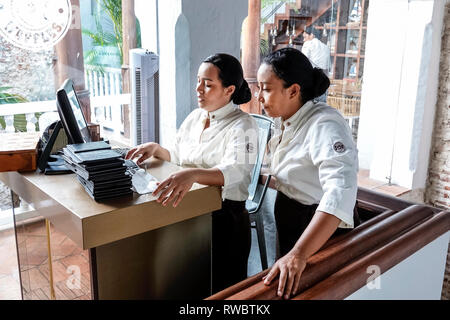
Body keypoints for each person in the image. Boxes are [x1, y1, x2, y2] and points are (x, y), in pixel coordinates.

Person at [126, 53, 258, 293]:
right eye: (198, 81)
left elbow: (238, 170)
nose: (199, 89)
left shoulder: (244, 125)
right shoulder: (195, 117)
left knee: (224, 289)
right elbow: (179, 155)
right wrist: (157, 149)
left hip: (224, 218)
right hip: (189, 213)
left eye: (208, 84)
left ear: (229, 90)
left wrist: (194, 175)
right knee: (192, 284)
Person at [256, 47, 360, 299]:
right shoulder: (287, 120)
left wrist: (299, 253)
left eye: (266, 88)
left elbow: (340, 189)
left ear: (293, 90)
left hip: (318, 226)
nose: (258, 96)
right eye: (258, 88)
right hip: (291, 216)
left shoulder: (325, 124)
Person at [301, 26, 330, 103]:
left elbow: (303, 62)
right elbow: (327, 67)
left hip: (310, 81)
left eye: (305, 37)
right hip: (323, 83)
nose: (304, 40)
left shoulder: (308, 44)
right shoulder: (325, 47)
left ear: (312, 35)